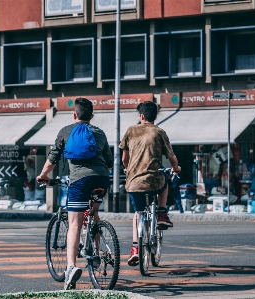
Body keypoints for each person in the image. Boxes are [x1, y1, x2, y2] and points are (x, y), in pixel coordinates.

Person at [36, 97, 113, 290]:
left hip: (79, 180)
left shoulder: (65, 131)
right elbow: (110, 162)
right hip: (102, 179)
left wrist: (43, 175)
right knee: (94, 214)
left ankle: (70, 268)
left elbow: (53, 158)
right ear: (92, 116)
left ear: (74, 114)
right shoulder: (100, 133)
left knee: (74, 223)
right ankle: (95, 254)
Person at [119, 101, 181, 267]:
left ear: (141, 116)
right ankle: (161, 212)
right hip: (153, 179)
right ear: (154, 116)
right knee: (164, 182)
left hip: (134, 182)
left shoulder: (130, 131)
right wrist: (176, 168)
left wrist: (127, 169)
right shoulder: (159, 132)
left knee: (138, 213)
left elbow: (125, 158)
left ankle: (135, 249)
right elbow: (171, 157)